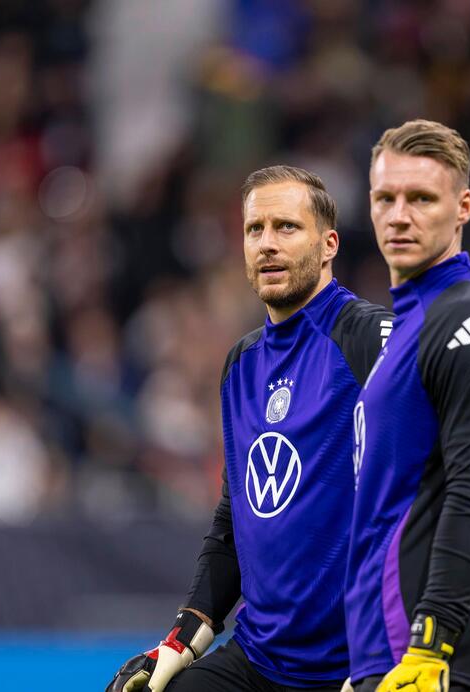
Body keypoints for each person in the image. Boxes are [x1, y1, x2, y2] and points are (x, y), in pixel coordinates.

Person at [106, 165, 392, 692]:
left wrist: (393, 657)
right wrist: (185, 634)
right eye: (254, 230)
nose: (267, 244)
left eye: (286, 228)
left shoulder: (369, 337)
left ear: (328, 244)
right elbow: (237, 514)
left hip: (357, 668)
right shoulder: (241, 365)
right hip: (258, 661)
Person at [344, 120, 470, 692]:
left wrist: (430, 646)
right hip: (388, 659)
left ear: (463, 207)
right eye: (385, 198)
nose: (400, 215)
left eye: (422, 198)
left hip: (437, 665)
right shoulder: (409, 325)